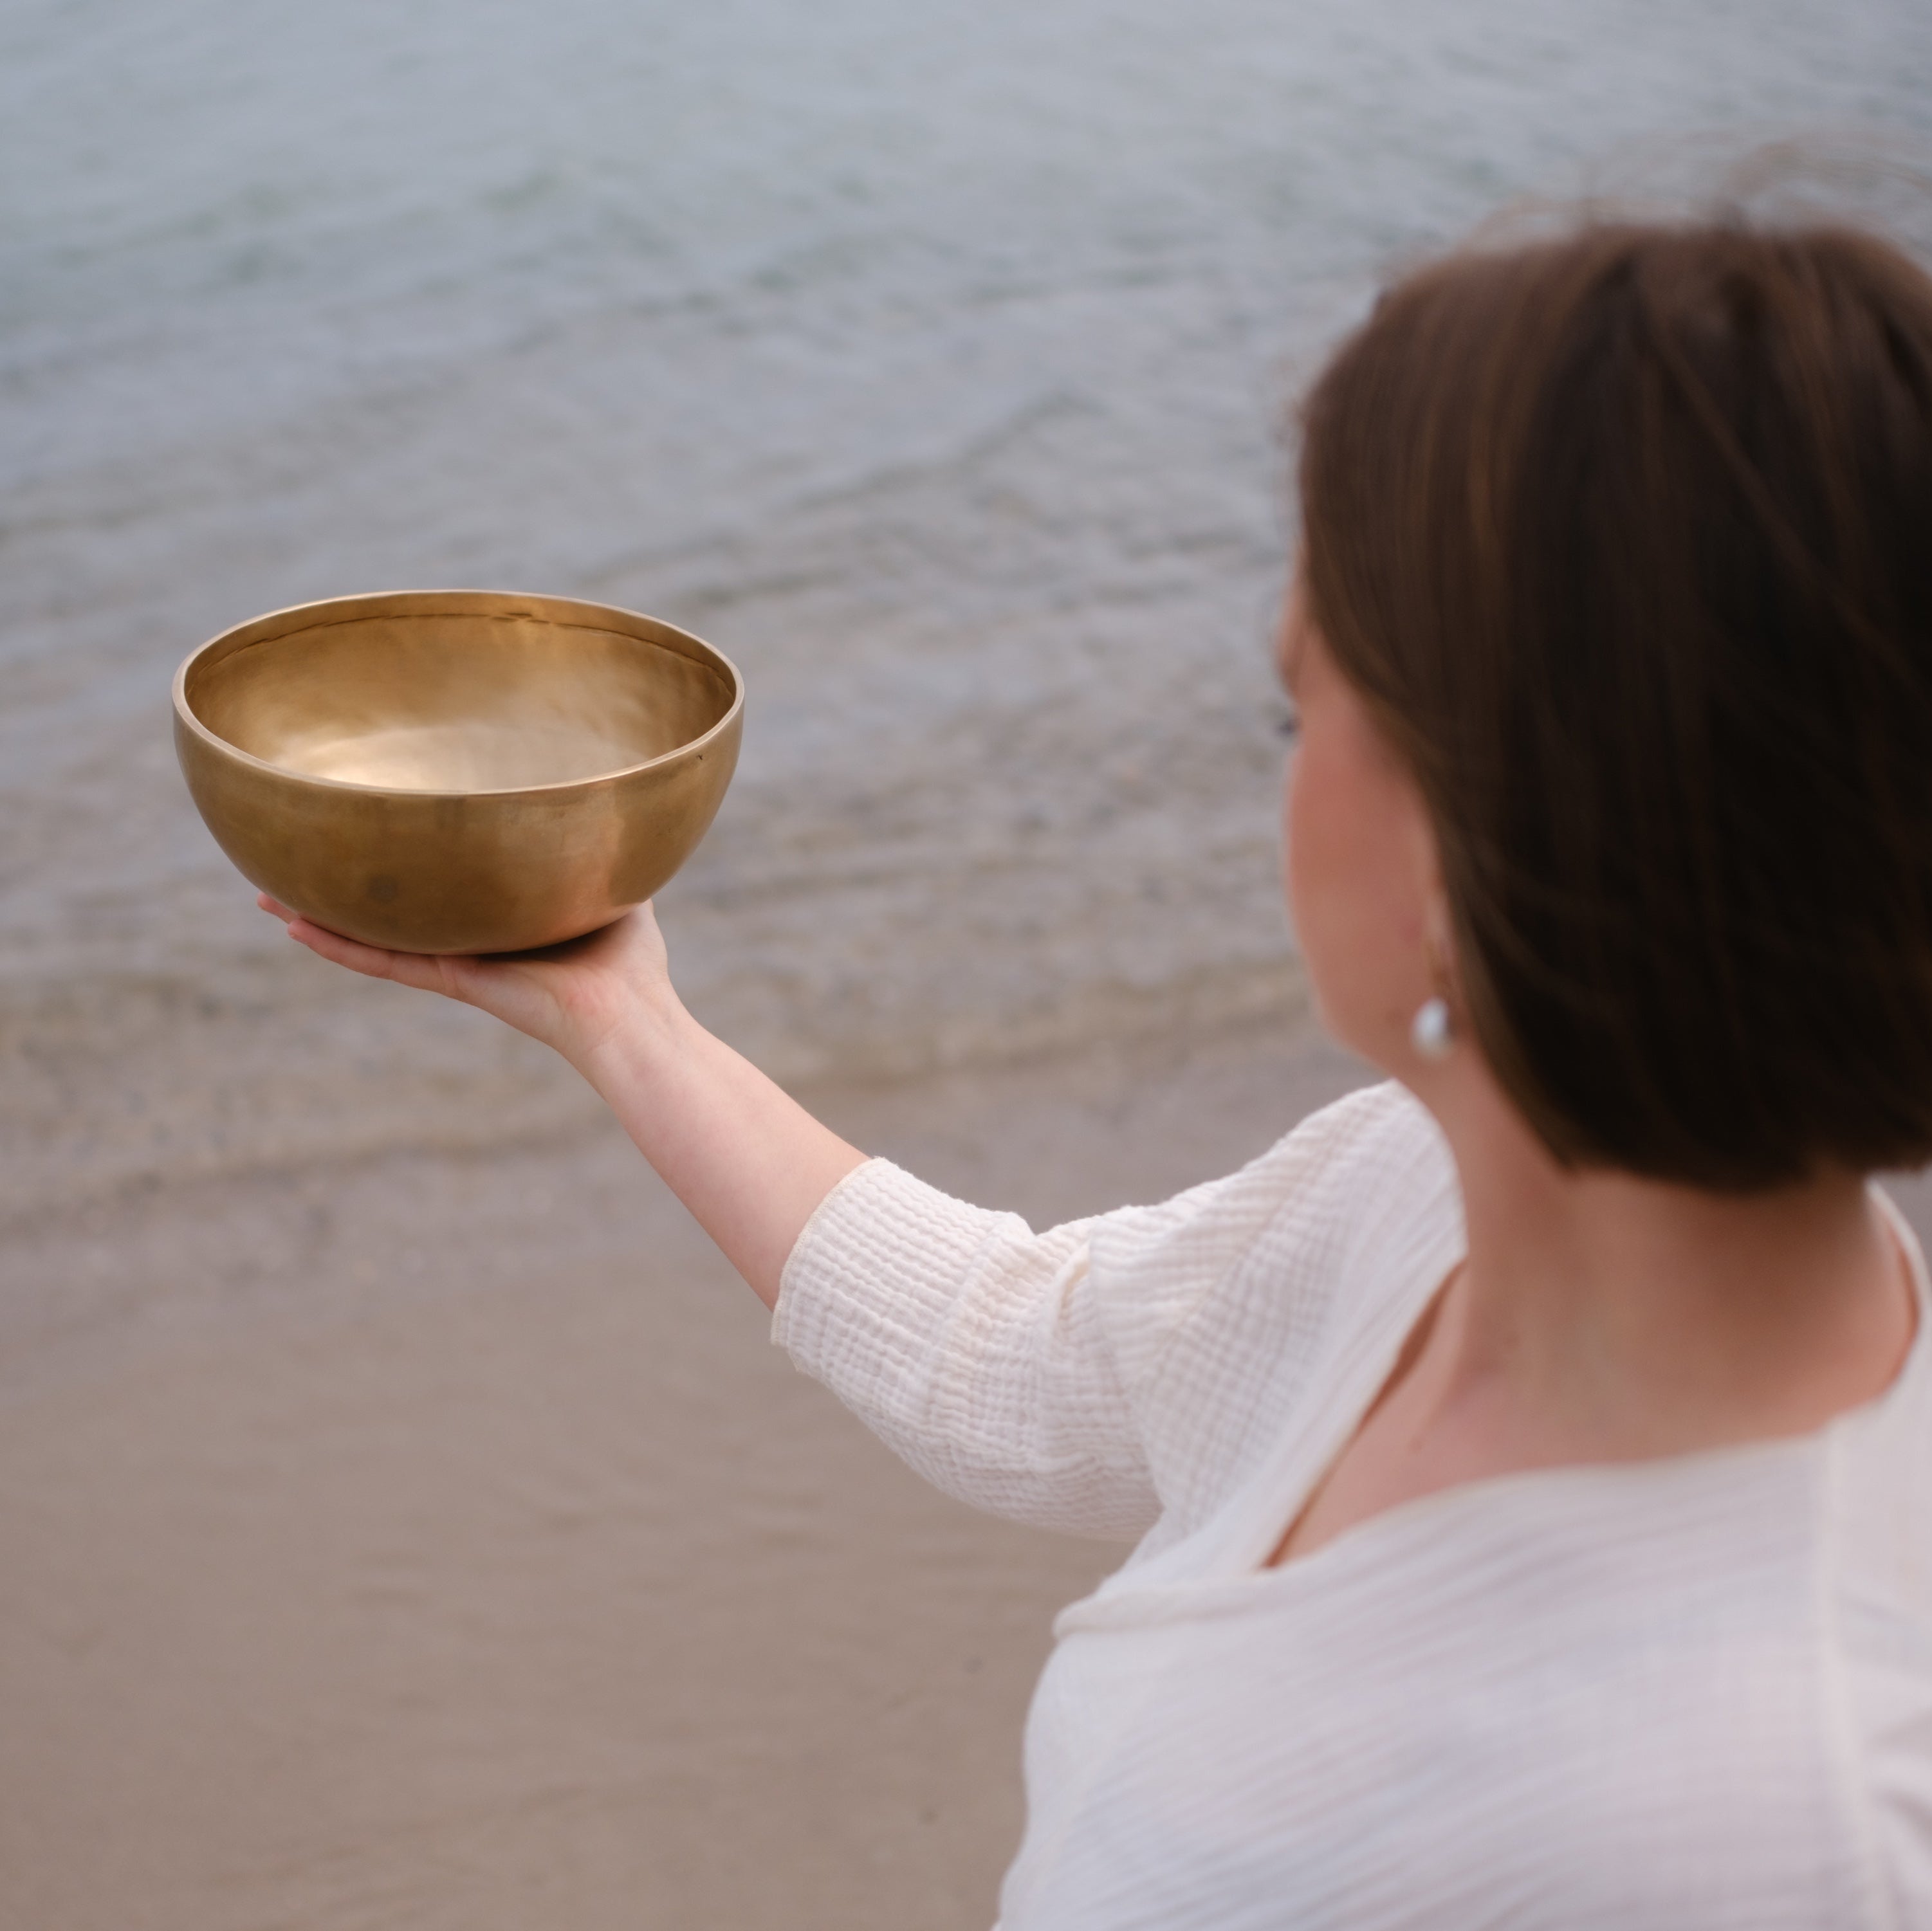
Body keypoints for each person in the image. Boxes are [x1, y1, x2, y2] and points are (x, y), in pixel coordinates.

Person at [261, 216, 1932, 1926]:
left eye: (1299, 713)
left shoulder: (1780, 1825)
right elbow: (1032, 1354)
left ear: (1477, 832)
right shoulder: (1427, 1190)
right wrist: (628, 1020)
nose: (1274, 781)